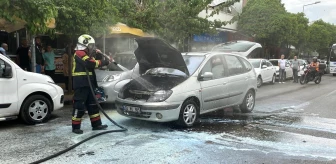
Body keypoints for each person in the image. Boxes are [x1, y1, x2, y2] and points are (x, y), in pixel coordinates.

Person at [71, 34, 111, 134]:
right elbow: (90, 63)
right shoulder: (79, 53)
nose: (92, 47)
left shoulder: (87, 54)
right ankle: (75, 127)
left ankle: (96, 125)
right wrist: (104, 62)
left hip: (89, 83)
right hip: (81, 84)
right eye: (91, 45)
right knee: (79, 105)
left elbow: (93, 61)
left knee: (93, 104)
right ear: (85, 45)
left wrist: (101, 55)